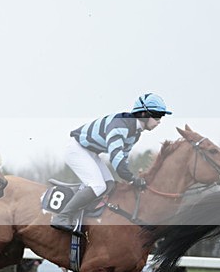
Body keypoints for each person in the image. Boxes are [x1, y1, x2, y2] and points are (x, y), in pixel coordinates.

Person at [51, 93, 172, 234]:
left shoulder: (135, 133)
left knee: (109, 185)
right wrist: (132, 179)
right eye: (157, 116)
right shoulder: (121, 125)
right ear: (144, 114)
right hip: (77, 149)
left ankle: (83, 215)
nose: (159, 121)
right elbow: (116, 158)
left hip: (90, 152)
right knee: (98, 185)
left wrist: (131, 179)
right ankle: (62, 216)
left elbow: (123, 158)